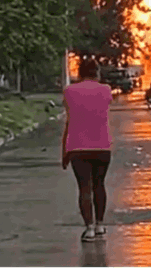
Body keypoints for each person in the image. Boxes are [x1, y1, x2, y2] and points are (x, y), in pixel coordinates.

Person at [62, 57, 113, 242]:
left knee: (84, 187)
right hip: (102, 147)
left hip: (77, 148)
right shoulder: (106, 90)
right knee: (99, 185)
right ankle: (100, 224)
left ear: (80, 72)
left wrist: (64, 152)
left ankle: (89, 228)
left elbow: (69, 122)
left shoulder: (69, 91)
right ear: (97, 72)